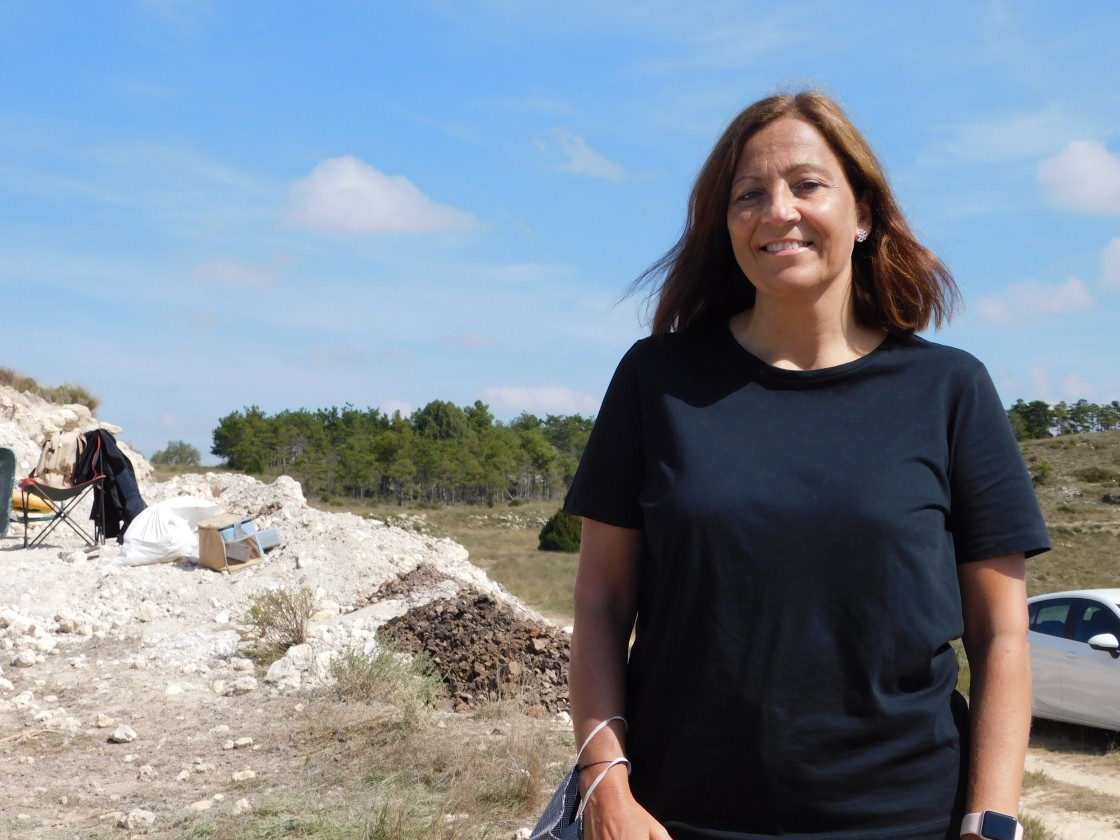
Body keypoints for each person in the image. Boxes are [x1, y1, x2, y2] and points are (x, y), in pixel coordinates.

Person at [563, 90, 1050, 840]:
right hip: (675, 819)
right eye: (748, 194)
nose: (776, 210)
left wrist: (991, 820)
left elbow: (1001, 635)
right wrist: (604, 784)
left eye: (807, 184)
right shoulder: (655, 382)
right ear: (724, 224)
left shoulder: (949, 389)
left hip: (906, 819)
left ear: (863, 214)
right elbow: (600, 603)